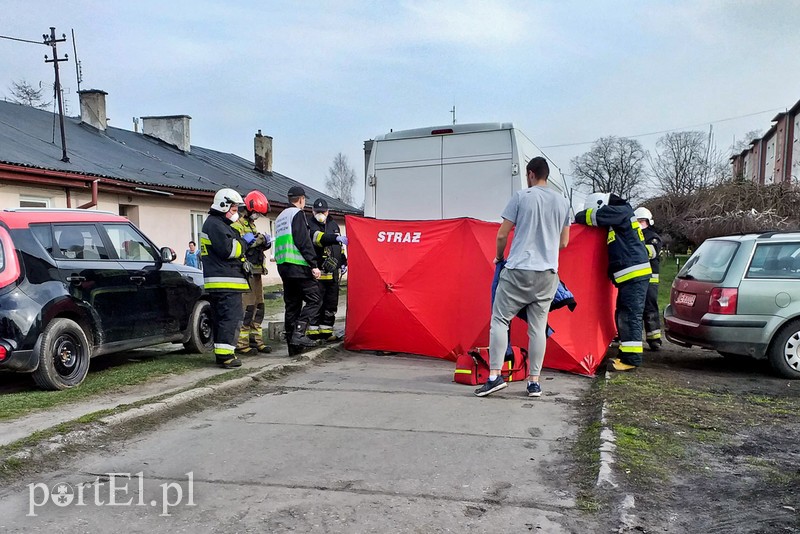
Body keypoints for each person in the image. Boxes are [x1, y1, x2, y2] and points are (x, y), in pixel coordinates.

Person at [474, 157, 571, 398]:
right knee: (537, 329)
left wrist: (499, 258)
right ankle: (534, 382)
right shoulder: (563, 202)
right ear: (547, 175)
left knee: (500, 320)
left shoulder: (521, 197)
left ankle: (495, 376)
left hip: (518, 270)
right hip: (548, 274)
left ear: (530, 174)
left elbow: (501, 235)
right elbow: (564, 242)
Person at [575, 193, 652, 371]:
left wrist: (580, 215)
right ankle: (626, 353)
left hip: (633, 275)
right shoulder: (622, 214)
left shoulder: (619, 212)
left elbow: (590, 217)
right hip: (632, 275)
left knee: (629, 315)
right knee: (624, 314)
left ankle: (630, 360)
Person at [200, 188, 251, 369]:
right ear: (223, 206)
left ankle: (224, 353)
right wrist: (246, 242)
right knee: (231, 317)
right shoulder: (215, 225)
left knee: (223, 317)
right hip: (225, 281)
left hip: (221, 281)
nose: (236, 213)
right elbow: (229, 251)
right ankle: (226, 356)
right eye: (235, 209)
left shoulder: (217, 224)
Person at [275, 185, 323, 354]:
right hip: (298, 266)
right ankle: (299, 333)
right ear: (302, 199)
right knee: (315, 299)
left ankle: (293, 347)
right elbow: (303, 240)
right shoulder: (297, 214)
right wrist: (314, 264)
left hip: (284, 266)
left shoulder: (281, 216)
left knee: (292, 305)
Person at [232, 190, 273, 356]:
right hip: (245, 272)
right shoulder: (237, 225)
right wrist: (258, 240)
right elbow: (242, 246)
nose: (257, 216)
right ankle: (241, 344)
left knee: (259, 307)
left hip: (256, 271)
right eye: (257, 213)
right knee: (247, 308)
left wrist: (265, 242)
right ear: (248, 209)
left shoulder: (251, 225)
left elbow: (255, 243)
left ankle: (257, 340)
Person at [306, 198, 348, 340]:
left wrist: (343, 261)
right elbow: (318, 238)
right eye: (317, 212)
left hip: (333, 273)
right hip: (317, 272)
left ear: (328, 211)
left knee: (331, 304)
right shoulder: (309, 224)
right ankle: (313, 334)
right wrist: (335, 238)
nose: (320, 214)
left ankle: (326, 332)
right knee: (317, 303)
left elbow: (339, 247)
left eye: (323, 211)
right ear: (312, 211)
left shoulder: (333, 224)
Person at [634, 207, 663, 351]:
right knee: (635, 308)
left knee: (650, 307)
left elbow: (651, 252)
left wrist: (634, 247)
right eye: (638, 220)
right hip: (636, 278)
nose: (640, 223)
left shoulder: (653, 237)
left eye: (642, 221)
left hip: (650, 279)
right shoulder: (633, 235)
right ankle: (633, 338)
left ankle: (654, 338)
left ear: (648, 222)